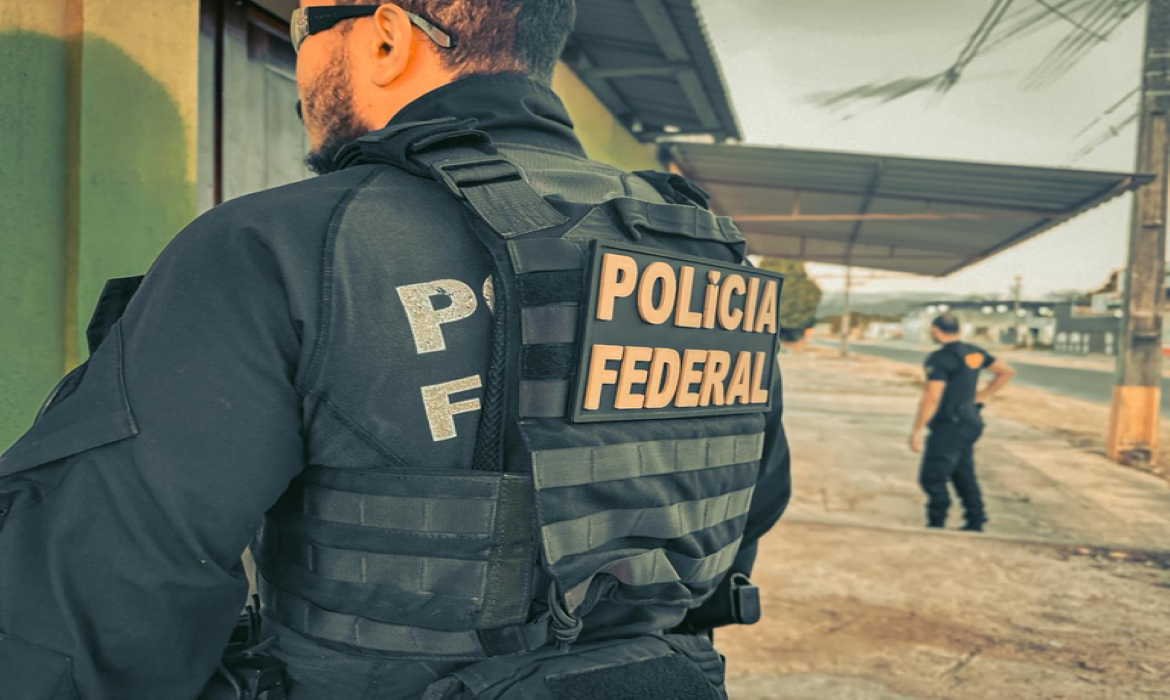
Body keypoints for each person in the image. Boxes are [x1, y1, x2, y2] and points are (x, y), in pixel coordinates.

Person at [0, 1, 792, 699]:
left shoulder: (284, 244)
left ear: (387, 37)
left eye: (303, 28)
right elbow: (740, 515)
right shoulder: (703, 254)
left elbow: (96, 602)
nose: (299, 65)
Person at [909, 313, 1014, 532]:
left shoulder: (940, 359)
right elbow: (1005, 372)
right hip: (970, 421)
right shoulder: (973, 352)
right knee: (962, 473)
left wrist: (917, 430)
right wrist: (980, 396)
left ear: (935, 330)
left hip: (949, 424)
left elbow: (932, 397)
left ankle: (936, 524)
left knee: (932, 476)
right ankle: (975, 521)